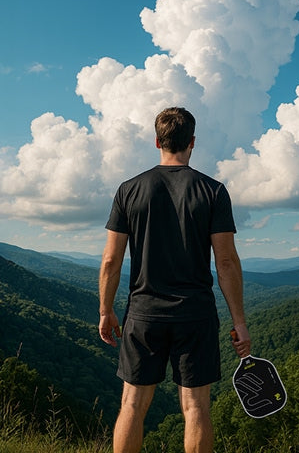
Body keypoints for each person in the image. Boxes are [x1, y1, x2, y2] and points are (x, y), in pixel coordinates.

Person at [99, 107, 251, 453]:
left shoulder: (129, 190)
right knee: (196, 408)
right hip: (195, 315)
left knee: (132, 406)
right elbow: (225, 262)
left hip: (143, 314)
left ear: (157, 141)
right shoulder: (213, 191)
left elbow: (111, 260)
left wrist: (105, 309)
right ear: (192, 143)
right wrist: (239, 321)